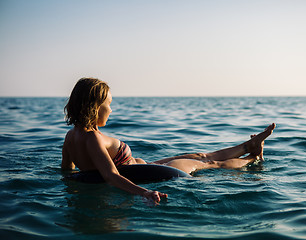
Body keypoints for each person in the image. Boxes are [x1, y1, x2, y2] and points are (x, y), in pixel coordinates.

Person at [62, 78, 275, 204]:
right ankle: (253, 157)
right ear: (95, 106)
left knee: (199, 156)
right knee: (207, 163)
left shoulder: (71, 136)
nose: (111, 109)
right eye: (109, 104)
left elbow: (66, 172)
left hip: (144, 167)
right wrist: (144, 193)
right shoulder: (93, 138)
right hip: (147, 175)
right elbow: (110, 176)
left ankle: (248, 146)